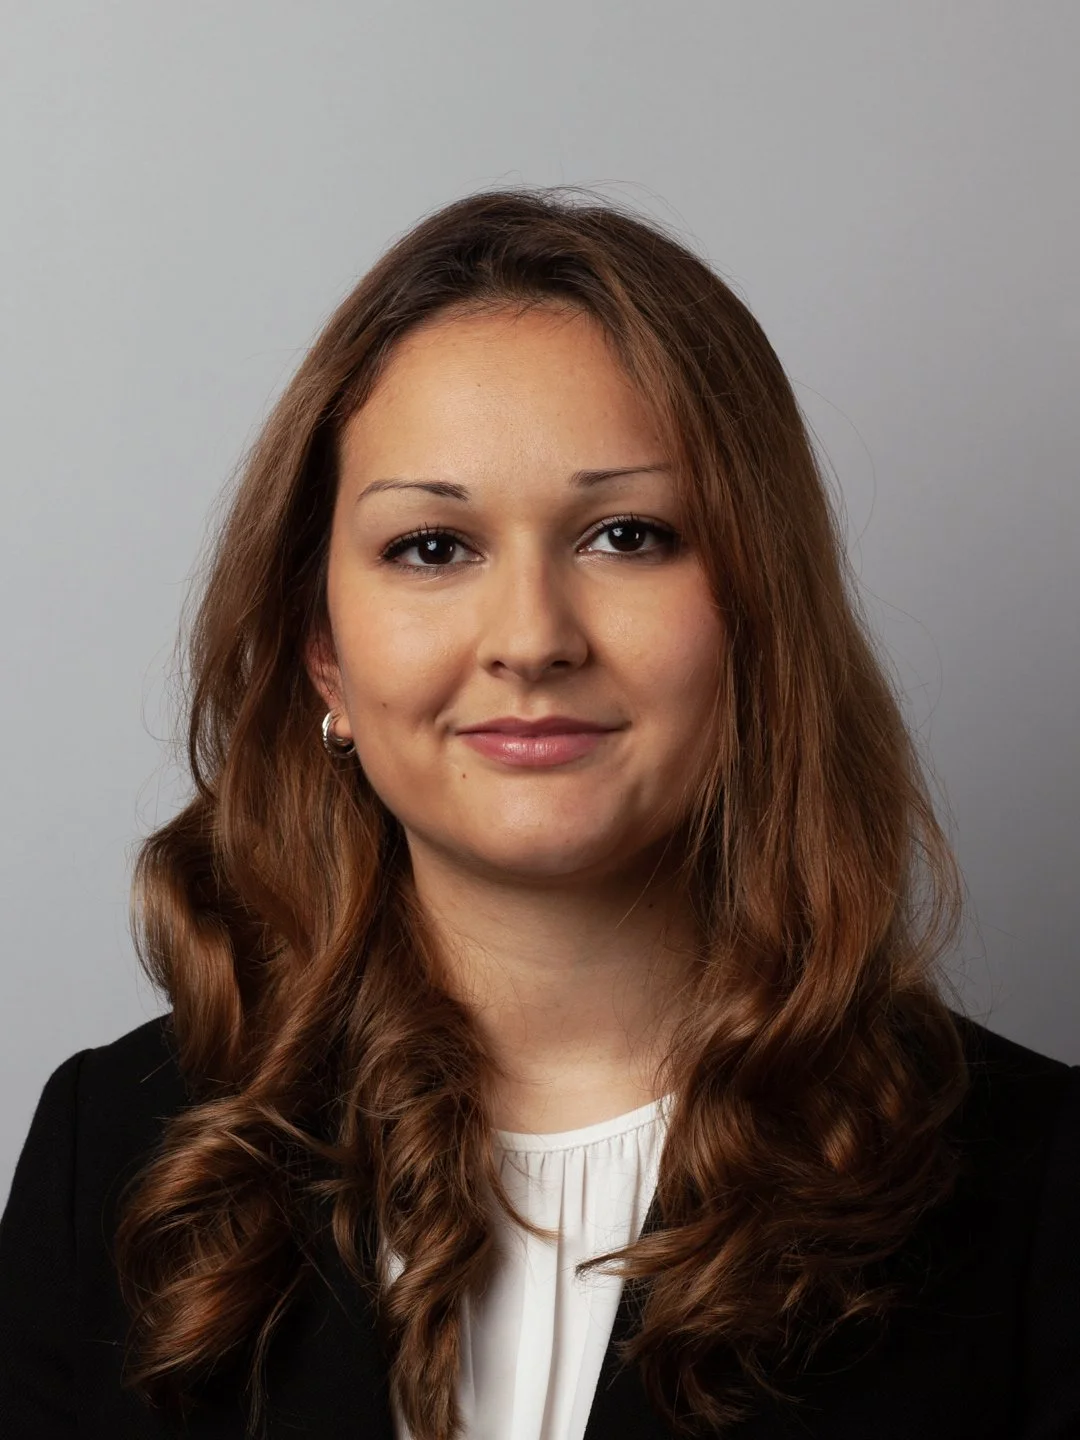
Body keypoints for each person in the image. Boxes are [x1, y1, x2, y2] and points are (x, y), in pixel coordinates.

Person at [0, 188, 1076, 1440]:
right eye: (433, 547)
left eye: (628, 535)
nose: (531, 640)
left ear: (761, 622)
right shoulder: (116, 1151)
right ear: (323, 654)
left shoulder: (1037, 1188)